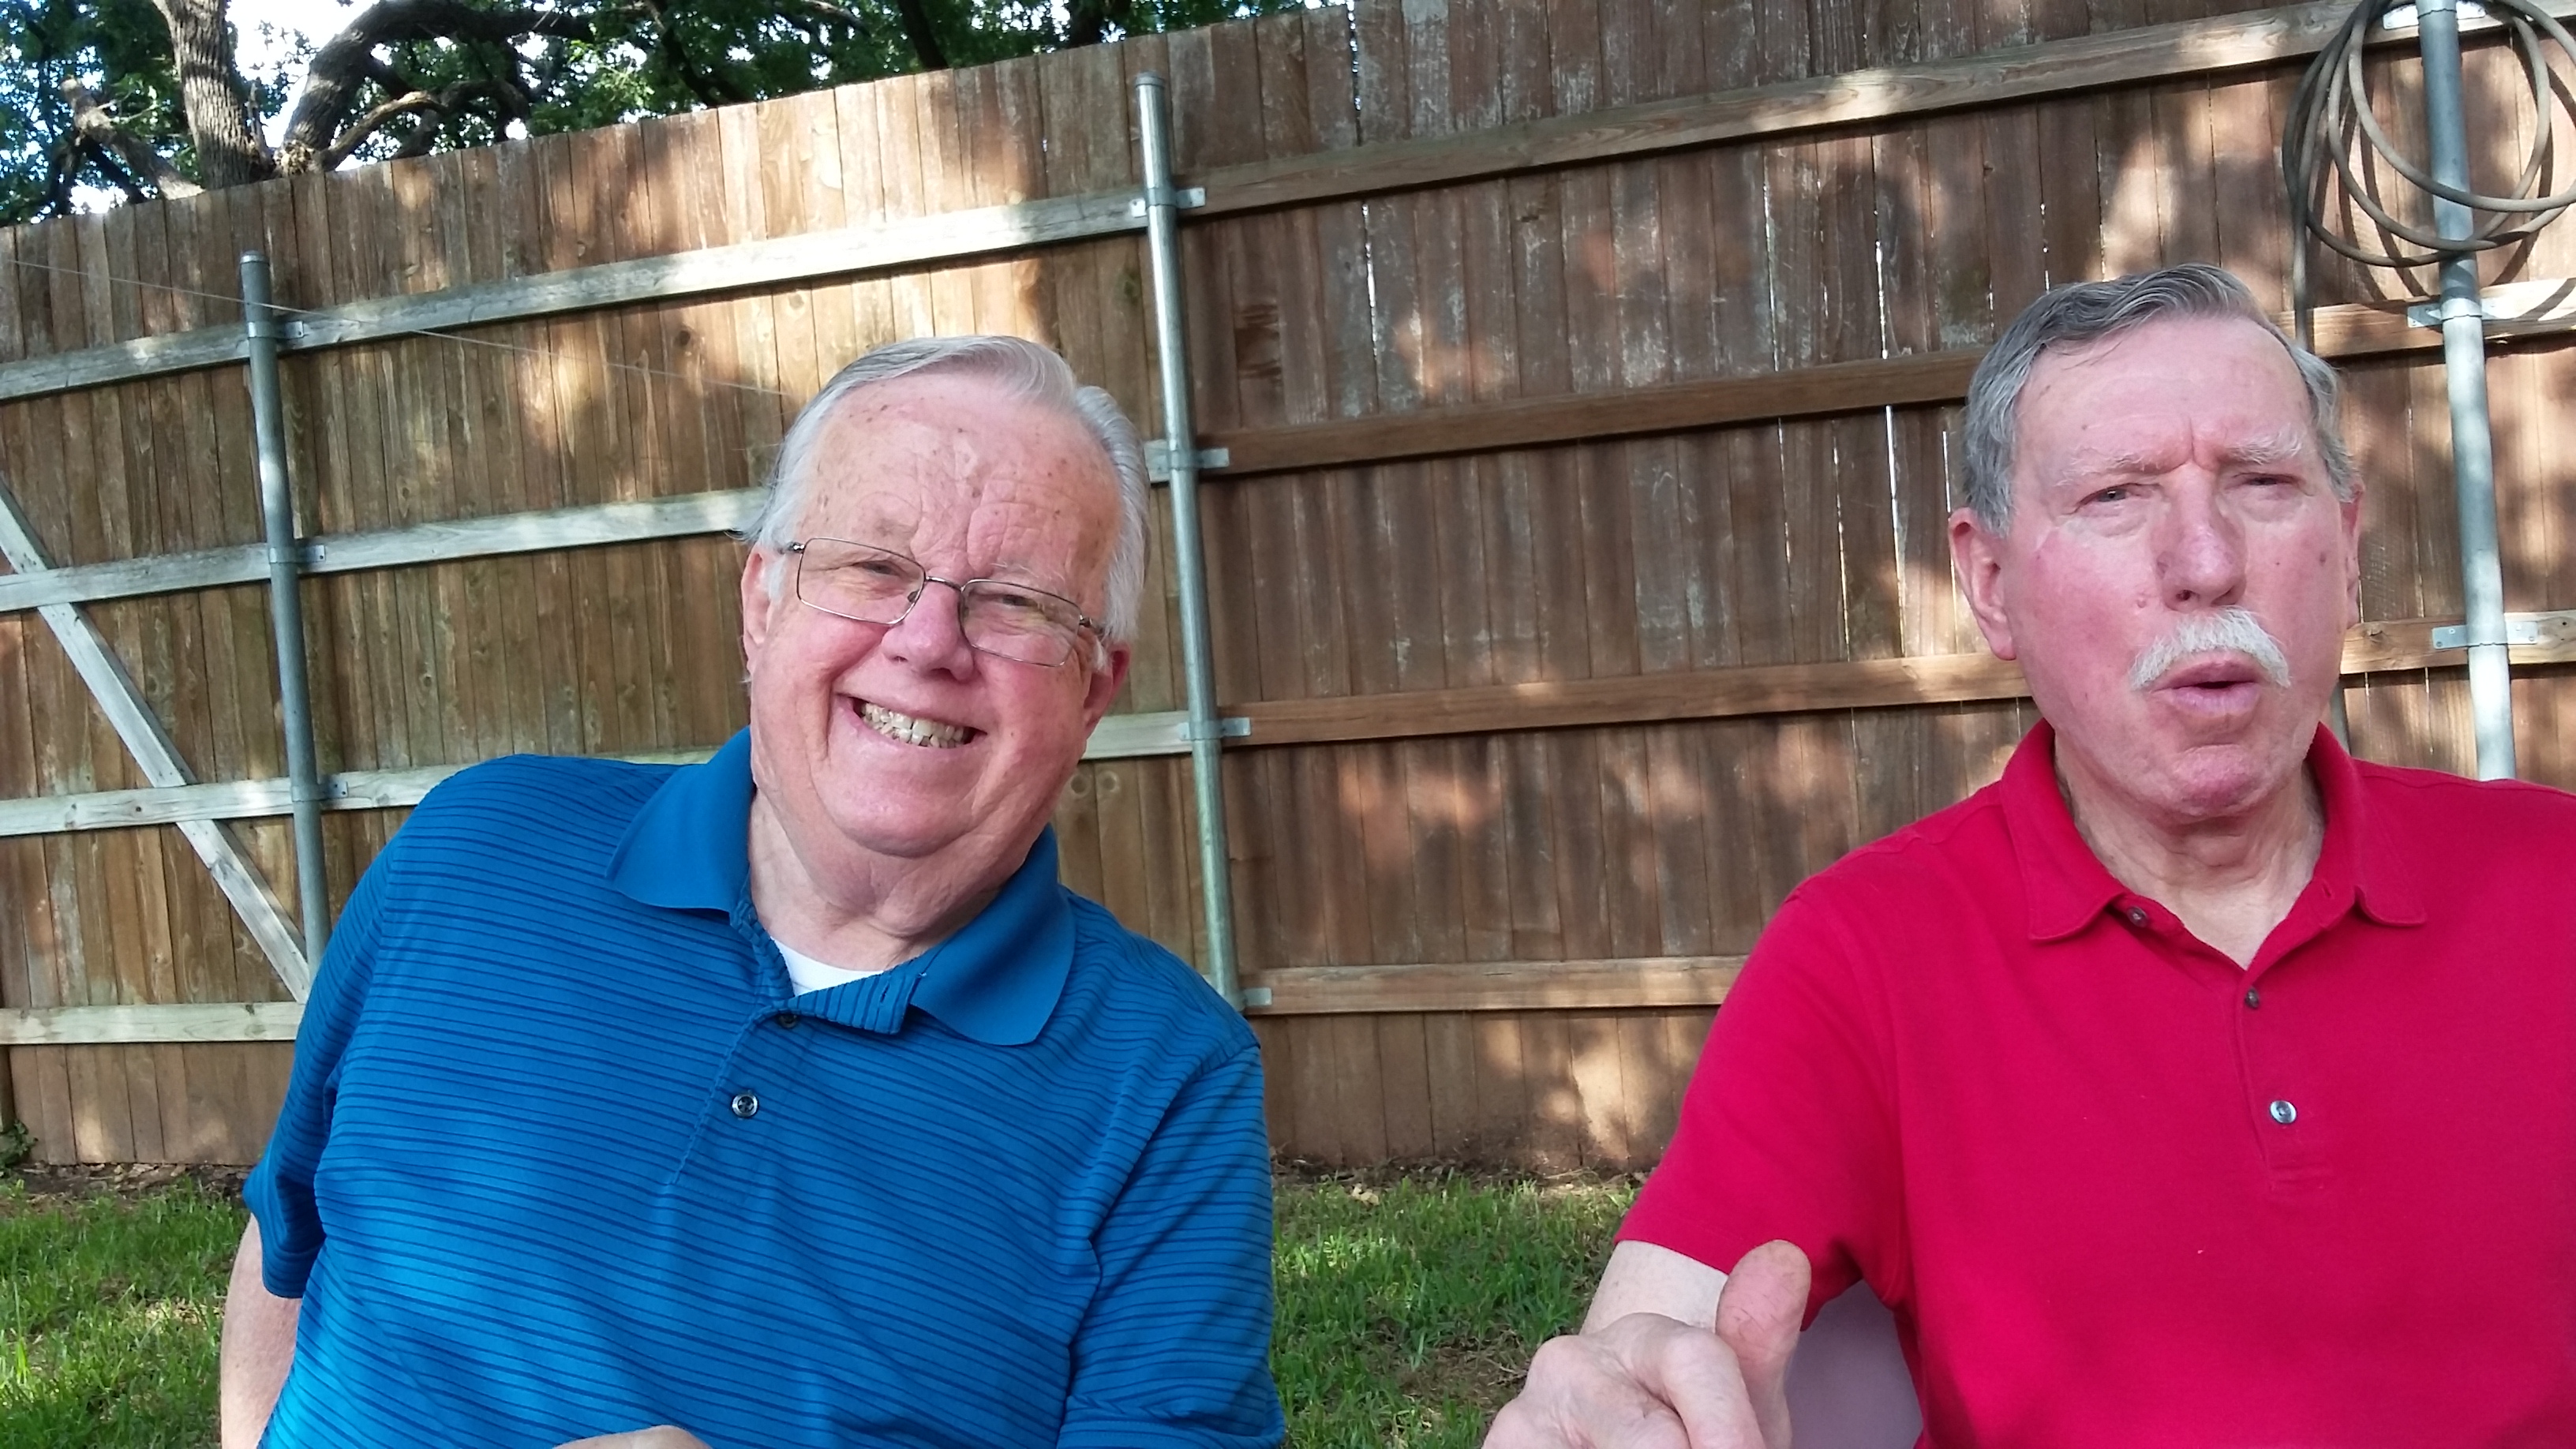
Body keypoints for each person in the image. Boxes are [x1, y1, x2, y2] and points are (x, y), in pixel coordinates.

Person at [1487, 263, 2576, 1447]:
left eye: (2263, 482)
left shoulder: (2551, 878)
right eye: (2116, 496)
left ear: (2349, 545)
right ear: (1991, 584)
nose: (2205, 561)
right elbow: (1646, 1355)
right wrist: (1614, 1406)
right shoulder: (1866, 956)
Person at [219, 336, 1286, 1449]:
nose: (928, 641)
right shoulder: (474, 850)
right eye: (872, 567)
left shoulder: (1169, 1077)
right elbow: (288, 1236)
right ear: (762, 601)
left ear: (1094, 689)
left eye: (1016, 600)